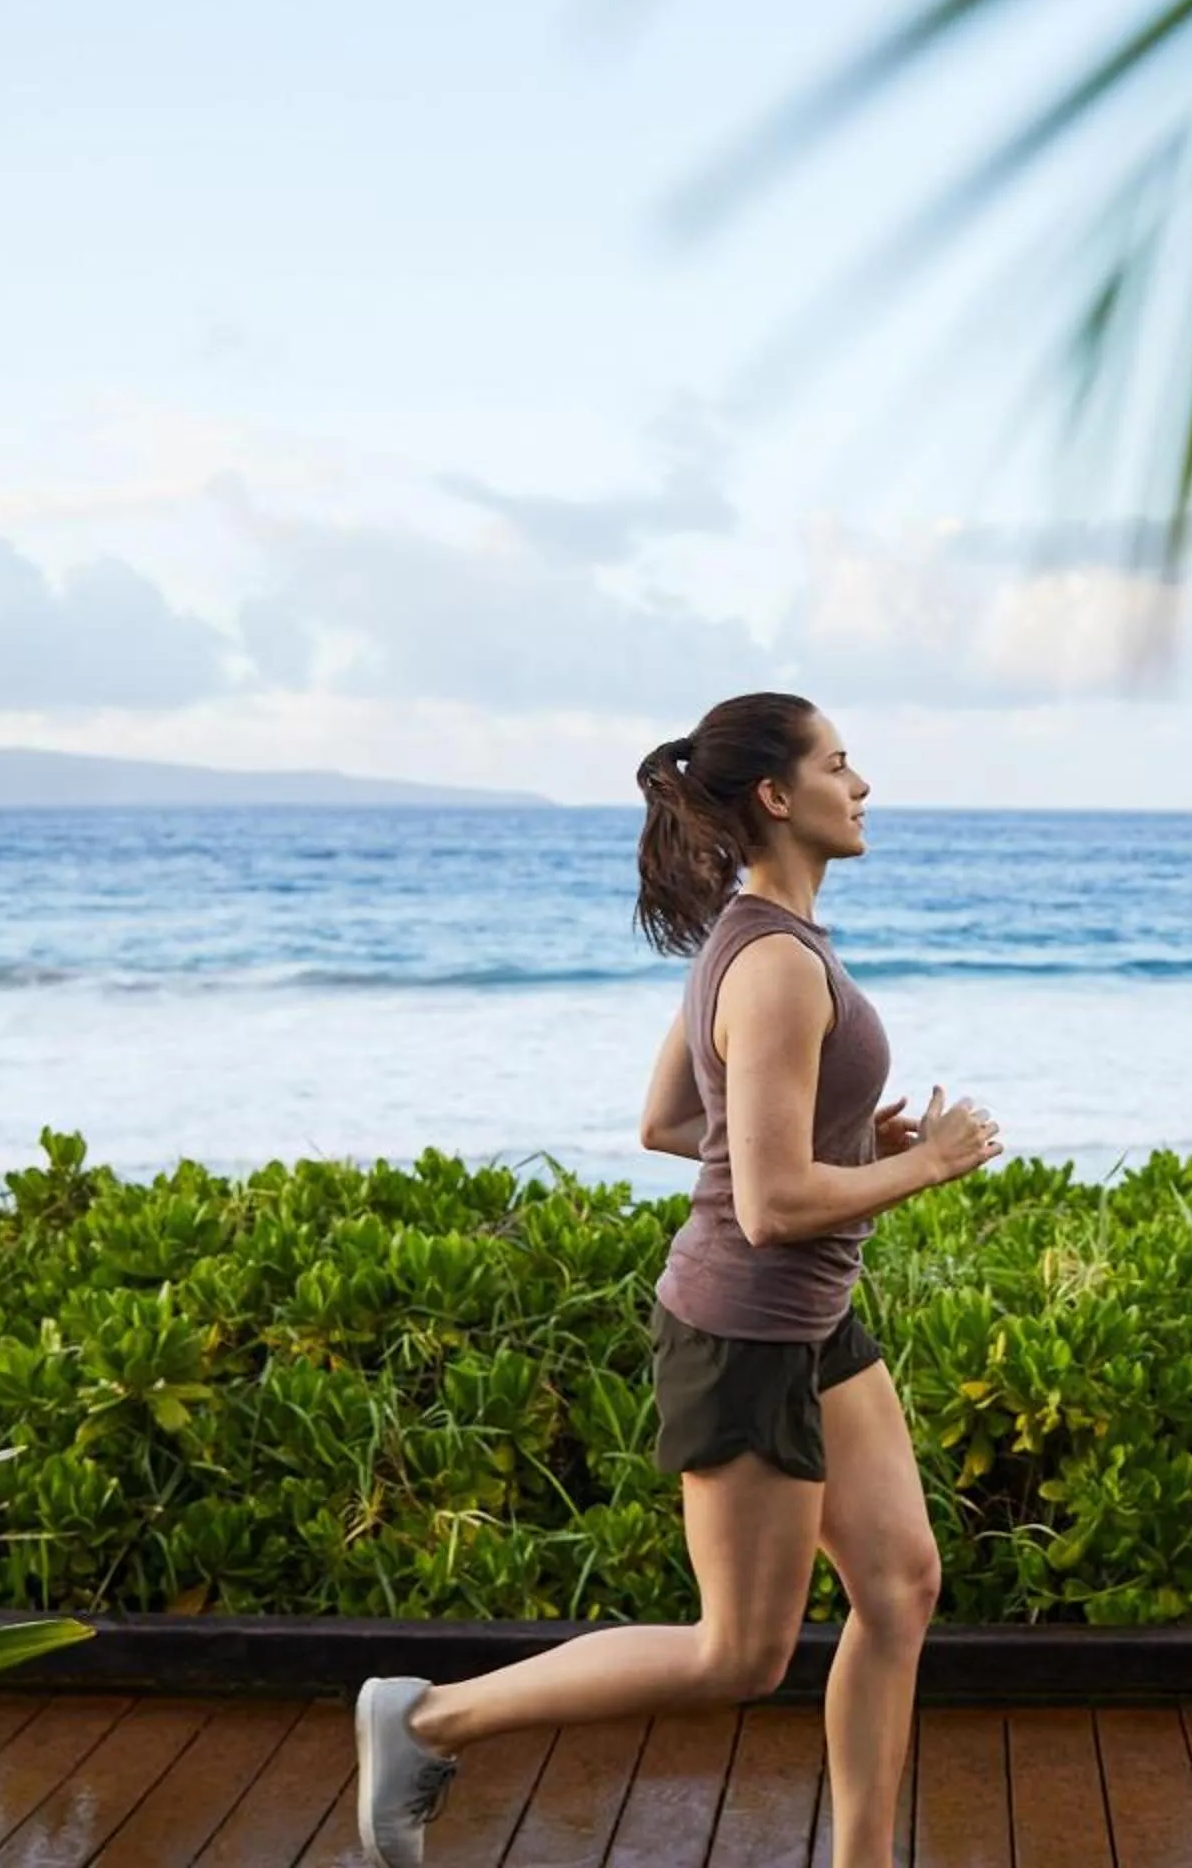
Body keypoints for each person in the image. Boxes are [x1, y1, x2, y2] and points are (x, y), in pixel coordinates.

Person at [353, 692, 1002, 1868]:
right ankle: (427, 1716)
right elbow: (770, 1206)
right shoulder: (773, 965)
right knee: (737, 1653)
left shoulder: (756, 939)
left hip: (815, 1322)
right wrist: (928, 1164)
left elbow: (669, 1120)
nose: (863, 786)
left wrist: (848, 1139)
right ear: (777, 795)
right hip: (746, 1330)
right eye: (840, 764)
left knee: (901, 1585)